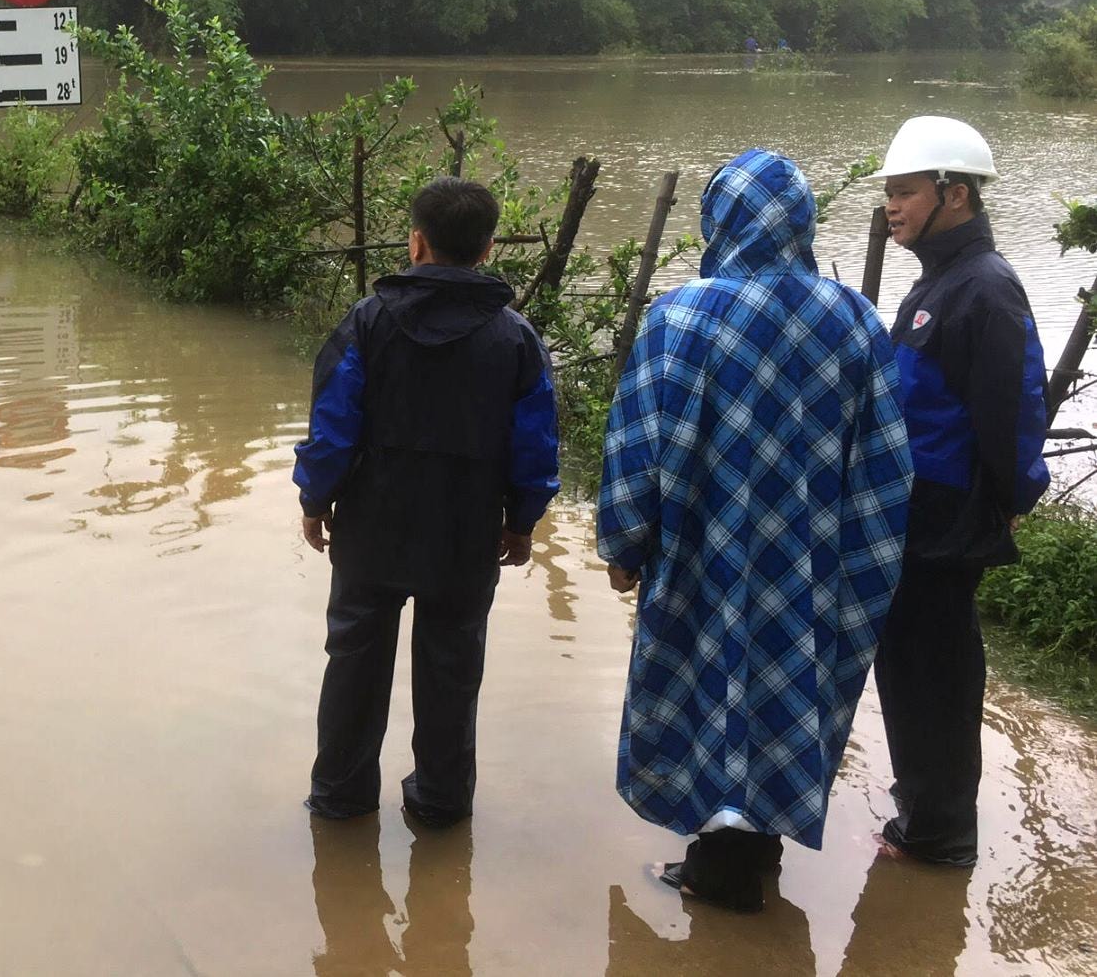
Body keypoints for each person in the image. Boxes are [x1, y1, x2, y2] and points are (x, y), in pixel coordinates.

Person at [598, 149, 912, 913]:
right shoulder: (851, 320)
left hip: (701, 556)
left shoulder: (681, 317)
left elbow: (637, 445)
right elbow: (885, 465)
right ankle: (756, 845)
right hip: (808, 561)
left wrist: (623, 544)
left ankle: (719, 869)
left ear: (719, 220)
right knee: (784, 686)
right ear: (800, 222)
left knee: (704, 685)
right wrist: (861, 563)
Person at [294, 176, 560, 825]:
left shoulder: (367, 322)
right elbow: (535, 448)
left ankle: (340, 799)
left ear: (415, 243)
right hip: (465, 533)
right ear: (487, 249)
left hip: (371, 525)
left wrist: (315, 498)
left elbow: (333, 426)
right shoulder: (514, 339)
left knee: (353, 660)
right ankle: (441, 806)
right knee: (451, 667)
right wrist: (521, 522)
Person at [865, 115, 1050, 867]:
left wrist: (1007, 500)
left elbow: (1013, 413)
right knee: (907, 660)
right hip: (916, 512)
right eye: (889, 193)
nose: (891, 207)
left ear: (956, 194)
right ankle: (922, 808)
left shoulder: (985, 289)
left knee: (935, 669)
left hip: (946, 517)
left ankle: (939, 833)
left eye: (905, 192)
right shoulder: (940, 281)